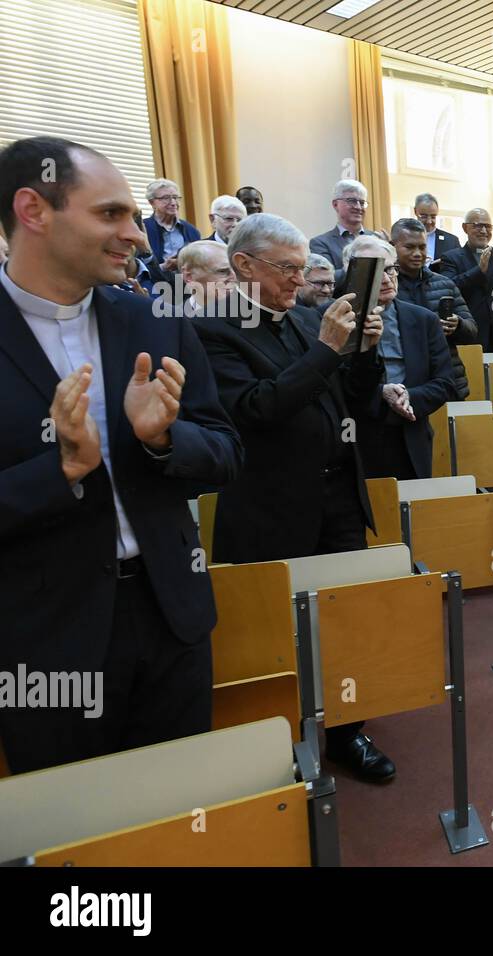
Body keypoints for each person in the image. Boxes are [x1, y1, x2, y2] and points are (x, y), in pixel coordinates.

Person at [0, 136, 242, 774]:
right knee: (77, 840)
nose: (135, 235)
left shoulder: (153, 322)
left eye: (134, 216)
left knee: (180, 810)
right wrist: (60, 471)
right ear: (33, 210)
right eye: (110, 214)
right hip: (44, 643)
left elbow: (225, 451)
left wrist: (163, 439)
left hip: (172, 619)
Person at [192, 212, 395, 782]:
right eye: (286, 269)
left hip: (339, 497)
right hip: (272, 507)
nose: (298, 280)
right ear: (242, 266)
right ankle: (281, 738)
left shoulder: (309, 320)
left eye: (303, 268)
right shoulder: (212, 329)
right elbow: (258, 409)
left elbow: (353, 399)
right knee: (279, 634)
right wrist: (330, 350)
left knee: (345, 618)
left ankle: (346, 734)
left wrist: (365, 353)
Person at [344, 236, 457, 481]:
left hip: (411, 432)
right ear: (354, 274)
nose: (386, 279)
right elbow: (336, 383)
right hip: (357, 437)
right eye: (376, 271)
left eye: (391, 269)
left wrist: (408, 397)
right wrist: (381, 393)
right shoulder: (335, 319)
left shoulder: (424, 319)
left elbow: (445, 382)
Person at [391, 218, 476, 399]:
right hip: (404, 383)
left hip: (448, 380)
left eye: (422, 247)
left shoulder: (445, 284)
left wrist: (458, 325)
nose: (417, 253)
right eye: (409, 247)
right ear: (393, 246)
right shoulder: (386, 288)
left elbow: (472, 330)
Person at [441, 207, 493, 353]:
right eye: (477, 225)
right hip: (470, 334)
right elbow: (450, 288)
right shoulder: (451, 257)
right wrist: (478, 271)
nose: (483, 231)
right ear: (465, 228)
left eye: (487, 226)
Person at [308, 179, 377, 269]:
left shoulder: (376, 238)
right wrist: (360, 264)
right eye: (351, 201)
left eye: (362, 202)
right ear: (335, 204)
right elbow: (327, 277)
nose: (358, 207)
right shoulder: (320, 243)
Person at [142, 178, 200, 276]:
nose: (173, 202)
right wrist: (164, 267)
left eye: (176, 197)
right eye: (166, 198)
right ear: (152, 202)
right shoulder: (143, 229)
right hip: (154, 285)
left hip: (187, 284)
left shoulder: (191, 230)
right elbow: (135, 266)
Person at [176, 240, 236, 316]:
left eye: (237, 271)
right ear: (189, 277)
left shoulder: (250, 312)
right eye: (223, 271)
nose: (236, 278)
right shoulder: (176, 323)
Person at [413, 192, 461, 267]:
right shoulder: (404, 238)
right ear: (415, 211)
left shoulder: (451, 241)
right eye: (424, 216)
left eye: (433, 217)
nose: (429, 221)